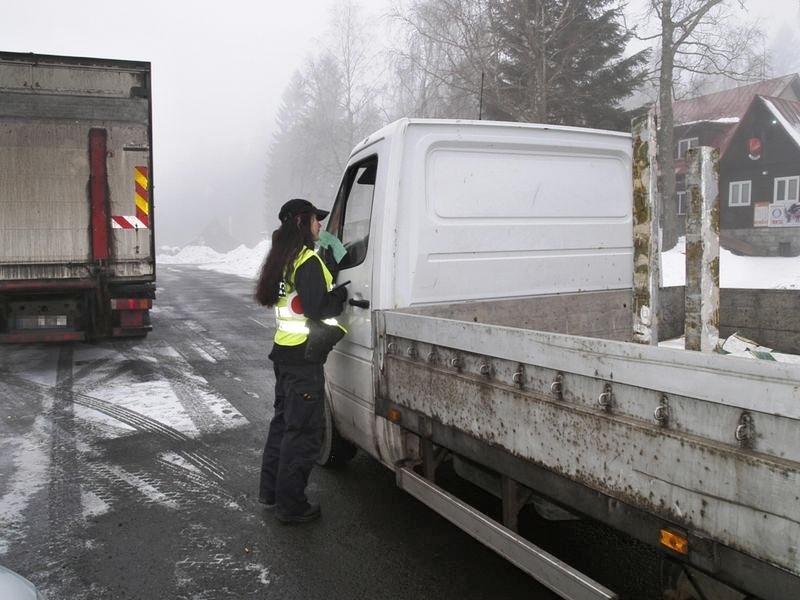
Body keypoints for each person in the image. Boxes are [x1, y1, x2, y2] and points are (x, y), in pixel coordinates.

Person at [254, 198, 348, 524]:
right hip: (303, 359)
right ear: (301, 222)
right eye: (315, 220)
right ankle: (291, 506)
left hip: (285, 353)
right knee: (303, 433)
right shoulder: (306, 260)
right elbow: (317, 308)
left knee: (282, 426)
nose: (319, 225)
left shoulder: (283, 258)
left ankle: (270, 493)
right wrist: (340, 297)